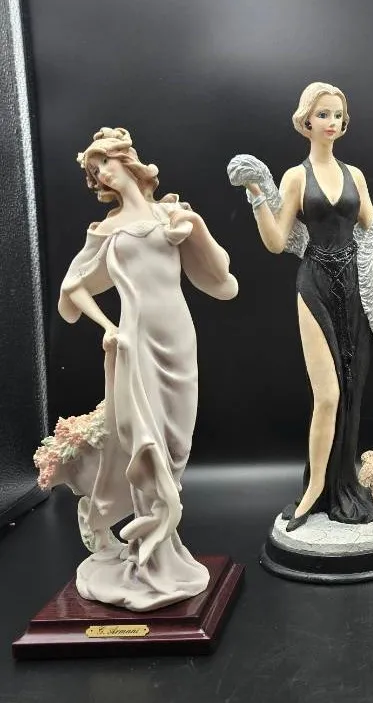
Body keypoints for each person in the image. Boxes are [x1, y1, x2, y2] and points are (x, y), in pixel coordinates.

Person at [34, 127, 238, 611]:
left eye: (105, 162)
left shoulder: (170, 214)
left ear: (126, 161)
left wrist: (196, 225)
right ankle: (152, 554)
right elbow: (72, 289)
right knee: (146, 442)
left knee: (178, 441)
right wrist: (108, 327)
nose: (102, 174)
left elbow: (220, 276)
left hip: (178, 336)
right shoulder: (105, 230)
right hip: (135, 340)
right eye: (94, 170)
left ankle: (163, 538)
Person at [227, 82, 373, 531]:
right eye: (324, 114)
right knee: (327, 396)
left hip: (353, 288)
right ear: (306, 120)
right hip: (314, 286)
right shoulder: (296, 177)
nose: (332, 122)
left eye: (338, 115)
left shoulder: (355, 176)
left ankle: (341, 481)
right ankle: (313, 489)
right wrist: (256, 193)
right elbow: (276, 242)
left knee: (351, 391)